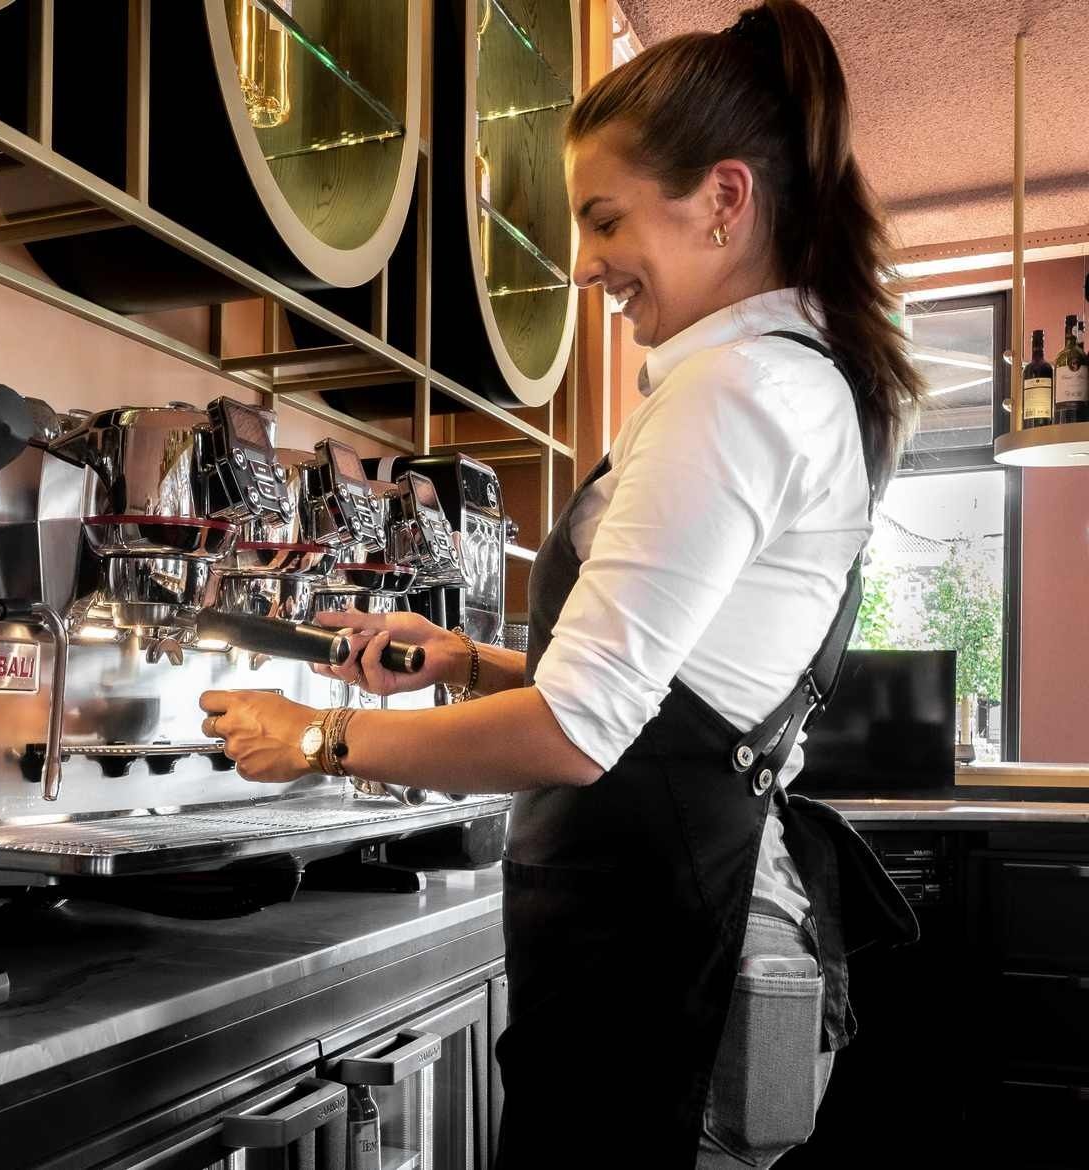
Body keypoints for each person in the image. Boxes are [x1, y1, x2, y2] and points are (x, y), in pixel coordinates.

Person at [198, 2, 920, 1164]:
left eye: (606, 219)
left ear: (724, 199)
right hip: (686, 929)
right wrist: (472, 664)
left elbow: (583, 731)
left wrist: (317, 738)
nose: (584, 265)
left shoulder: (734, 394)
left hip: (667, 962)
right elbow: (676, 696)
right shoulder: (786, 381)